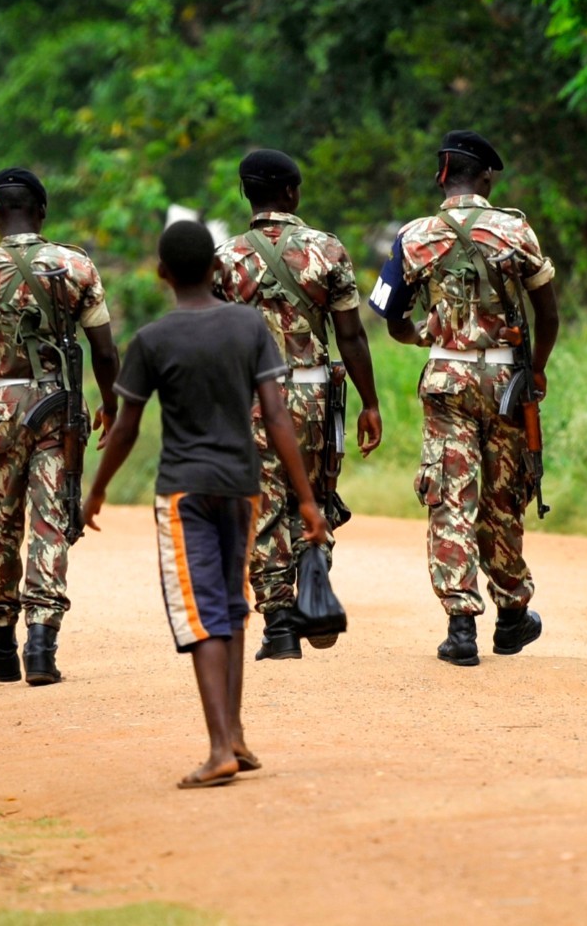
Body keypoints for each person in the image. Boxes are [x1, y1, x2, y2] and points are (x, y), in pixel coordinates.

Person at [83, 220, 328, 789]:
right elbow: (275, 415)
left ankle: (220, 747)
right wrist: (307, 497)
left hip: (184, 491)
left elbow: (124, 429)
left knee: (202, 615)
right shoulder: (248, 326)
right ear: (218, 270)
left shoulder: (152, 340)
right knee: (233, 606)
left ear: (161, 273)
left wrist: (96, 489)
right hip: (242, 488)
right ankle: (235, 735)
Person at [368, 130, 558, 667]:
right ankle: (513, 613)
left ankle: (460, 628)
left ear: (441, 175)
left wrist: (424, 335)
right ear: (487, 178)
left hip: (447, 379)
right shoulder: (515, 230)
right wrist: (537, 369)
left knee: (452, 494)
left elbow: (388, 314)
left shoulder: (414, 236)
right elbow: (548, 312)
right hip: (505, 383)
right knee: (503, 495)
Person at [0, 167, 120, 687]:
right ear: (42, 212)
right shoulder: (76, 265)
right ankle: (41, 647)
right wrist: (110, 403)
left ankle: (0, 644)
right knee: (51, 521)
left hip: (0, 409)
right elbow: (105, 349)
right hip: (59, 408)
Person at [213, 148, 383, 660]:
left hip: (251, 398)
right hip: (314, 393)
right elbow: (351, 335)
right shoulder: (327, 251)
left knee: (263, 505)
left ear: (246, 193)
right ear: (292, 192)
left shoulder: (224, 259)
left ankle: (281, 626)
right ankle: (314, 577)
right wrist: (370, 403)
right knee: (315, 494)